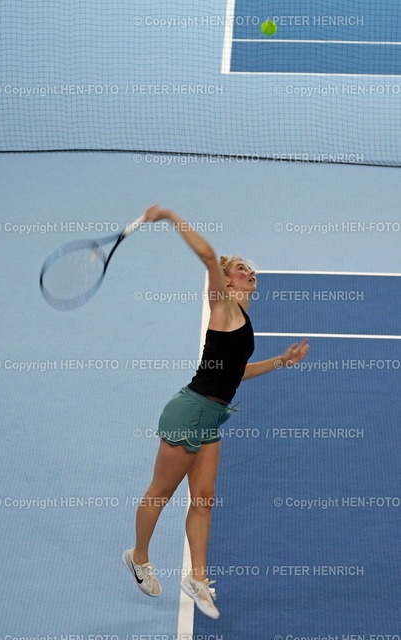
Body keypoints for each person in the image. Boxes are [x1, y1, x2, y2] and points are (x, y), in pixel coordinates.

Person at [123, 204, 309, 619]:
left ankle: (198, 580)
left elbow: (236, 373)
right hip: (189, 413)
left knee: (204, 499)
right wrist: (171, 217)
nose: (250, 271)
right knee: (162, 493)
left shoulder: (242, 317)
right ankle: (138, 556)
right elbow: (208, 255)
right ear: (227, 280)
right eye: (241, 267)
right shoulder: (222, 304)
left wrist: (280, 361)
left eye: (250, 269)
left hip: (211, 419)